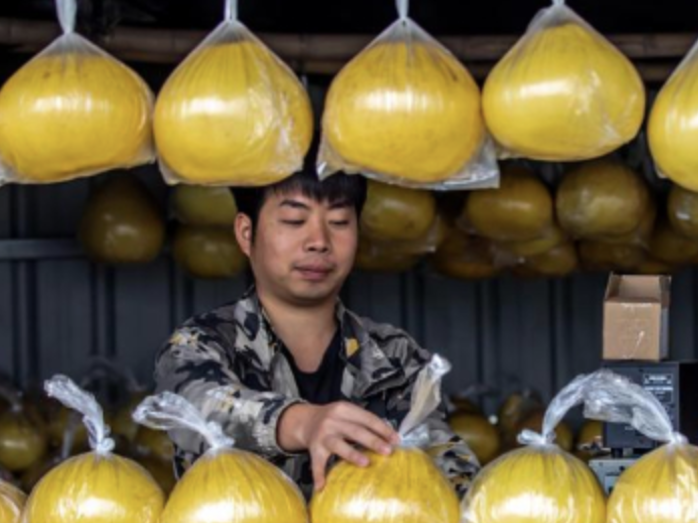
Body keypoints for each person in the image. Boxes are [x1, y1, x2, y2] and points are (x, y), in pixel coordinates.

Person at [154, 169, 478, 497]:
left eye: (339, 222)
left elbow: (443, 457)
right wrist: (301, 423)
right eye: (294, 221)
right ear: (246, 233)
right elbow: (195, 408)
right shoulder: (201, 343)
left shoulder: (394, 354)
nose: (319, 242)